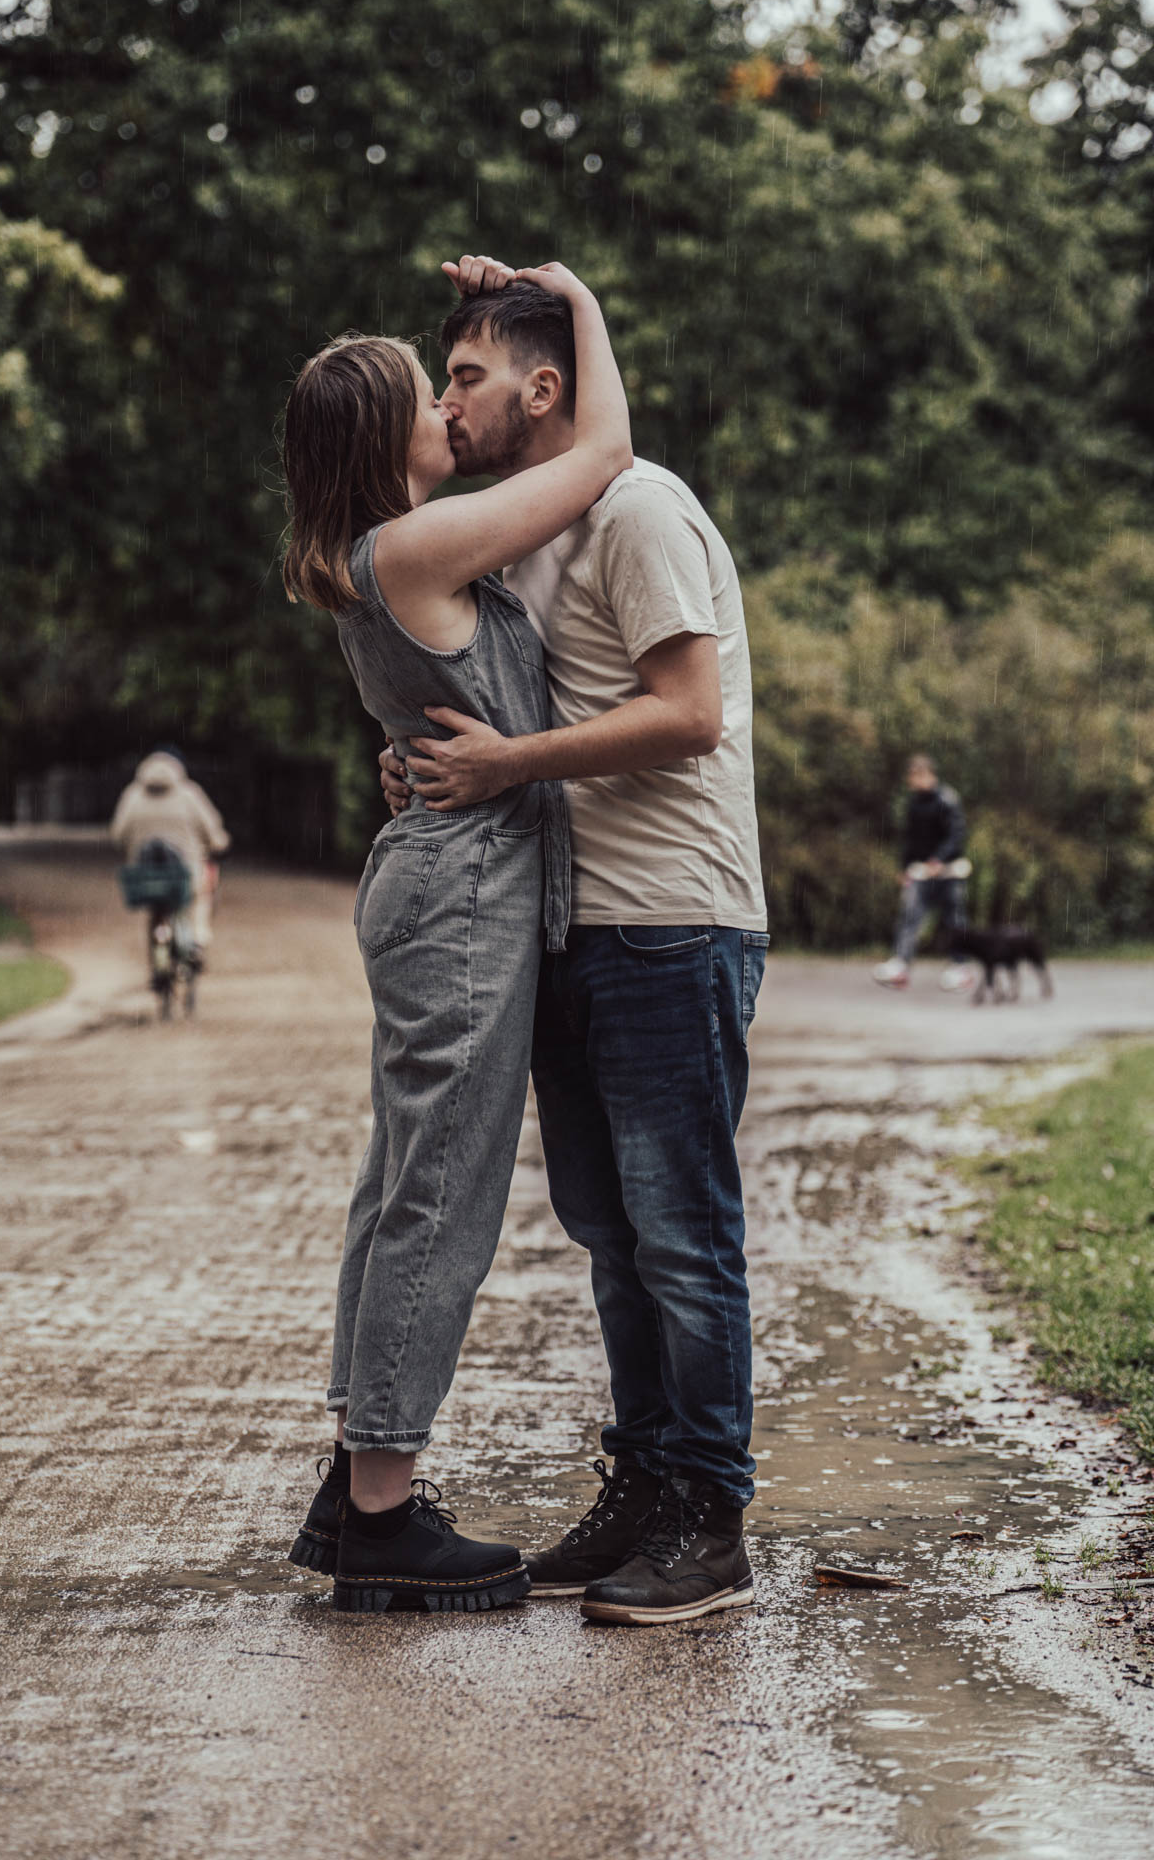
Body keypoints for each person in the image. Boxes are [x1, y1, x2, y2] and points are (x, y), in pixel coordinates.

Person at [380, 263, 768, 1626]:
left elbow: (690, 712)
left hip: (673, 915)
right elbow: (493, 702)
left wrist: (510, 766)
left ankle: (712, 1517)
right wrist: (444, 770)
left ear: (545, 388)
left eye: (468, 374)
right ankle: (650, 1483)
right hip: (573, 918)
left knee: (680, 1229)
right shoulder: (519, 532)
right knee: (610, 1230)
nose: (448, 398)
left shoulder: (641, 507)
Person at [280, 258, 632, 1614]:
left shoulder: (386, 553)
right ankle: (382, 1511)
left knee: (402, 1184)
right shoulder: (417, 544)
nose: (449, 409)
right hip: (461, 893)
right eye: (433, 395)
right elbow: (603, 452)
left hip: (440, 877)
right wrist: (578, 301)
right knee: (442, 1193)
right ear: (388, 437)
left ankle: (358, 1473)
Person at [109, 750, 230, 963]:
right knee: (202, 893)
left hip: (145, 873)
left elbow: (118, 834)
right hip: (185, 871)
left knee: (158, 902)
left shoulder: (133, 795)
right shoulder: (189, 795)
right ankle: (197, 939)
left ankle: (159, 959)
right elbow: (212, 830)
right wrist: (219, 843)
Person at [872, 754, 973, 992]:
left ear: (929, 775)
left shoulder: (948, 800)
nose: (914, 781)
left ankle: (960, 968)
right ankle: (900, 966)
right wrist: (905, 867)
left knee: (954, 920)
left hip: (948, 872)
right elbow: (911, 839)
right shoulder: (914, 803)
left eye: (918, 776)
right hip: (920, 873)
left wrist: (939, 859)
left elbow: (957, 835)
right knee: (910, 916)